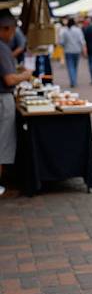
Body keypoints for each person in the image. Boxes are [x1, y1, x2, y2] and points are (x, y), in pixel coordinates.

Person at [0, 10, 33, 196]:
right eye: (11, 30)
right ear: (5, 29)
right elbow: (9, 80)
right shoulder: (2, 47)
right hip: (2, 99)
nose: (12, 34)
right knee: (2, 143)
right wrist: (25, 75)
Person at [59, 18, 86, 88]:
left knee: (70, 67)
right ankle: (74, 81)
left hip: (68, 51)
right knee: (75, 66)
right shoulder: (78, 30)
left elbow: (61, 42)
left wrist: (65, 45)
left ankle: (73, 81)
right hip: (77, 50)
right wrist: (83, 50)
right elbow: (82, 41)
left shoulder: (65, 31)